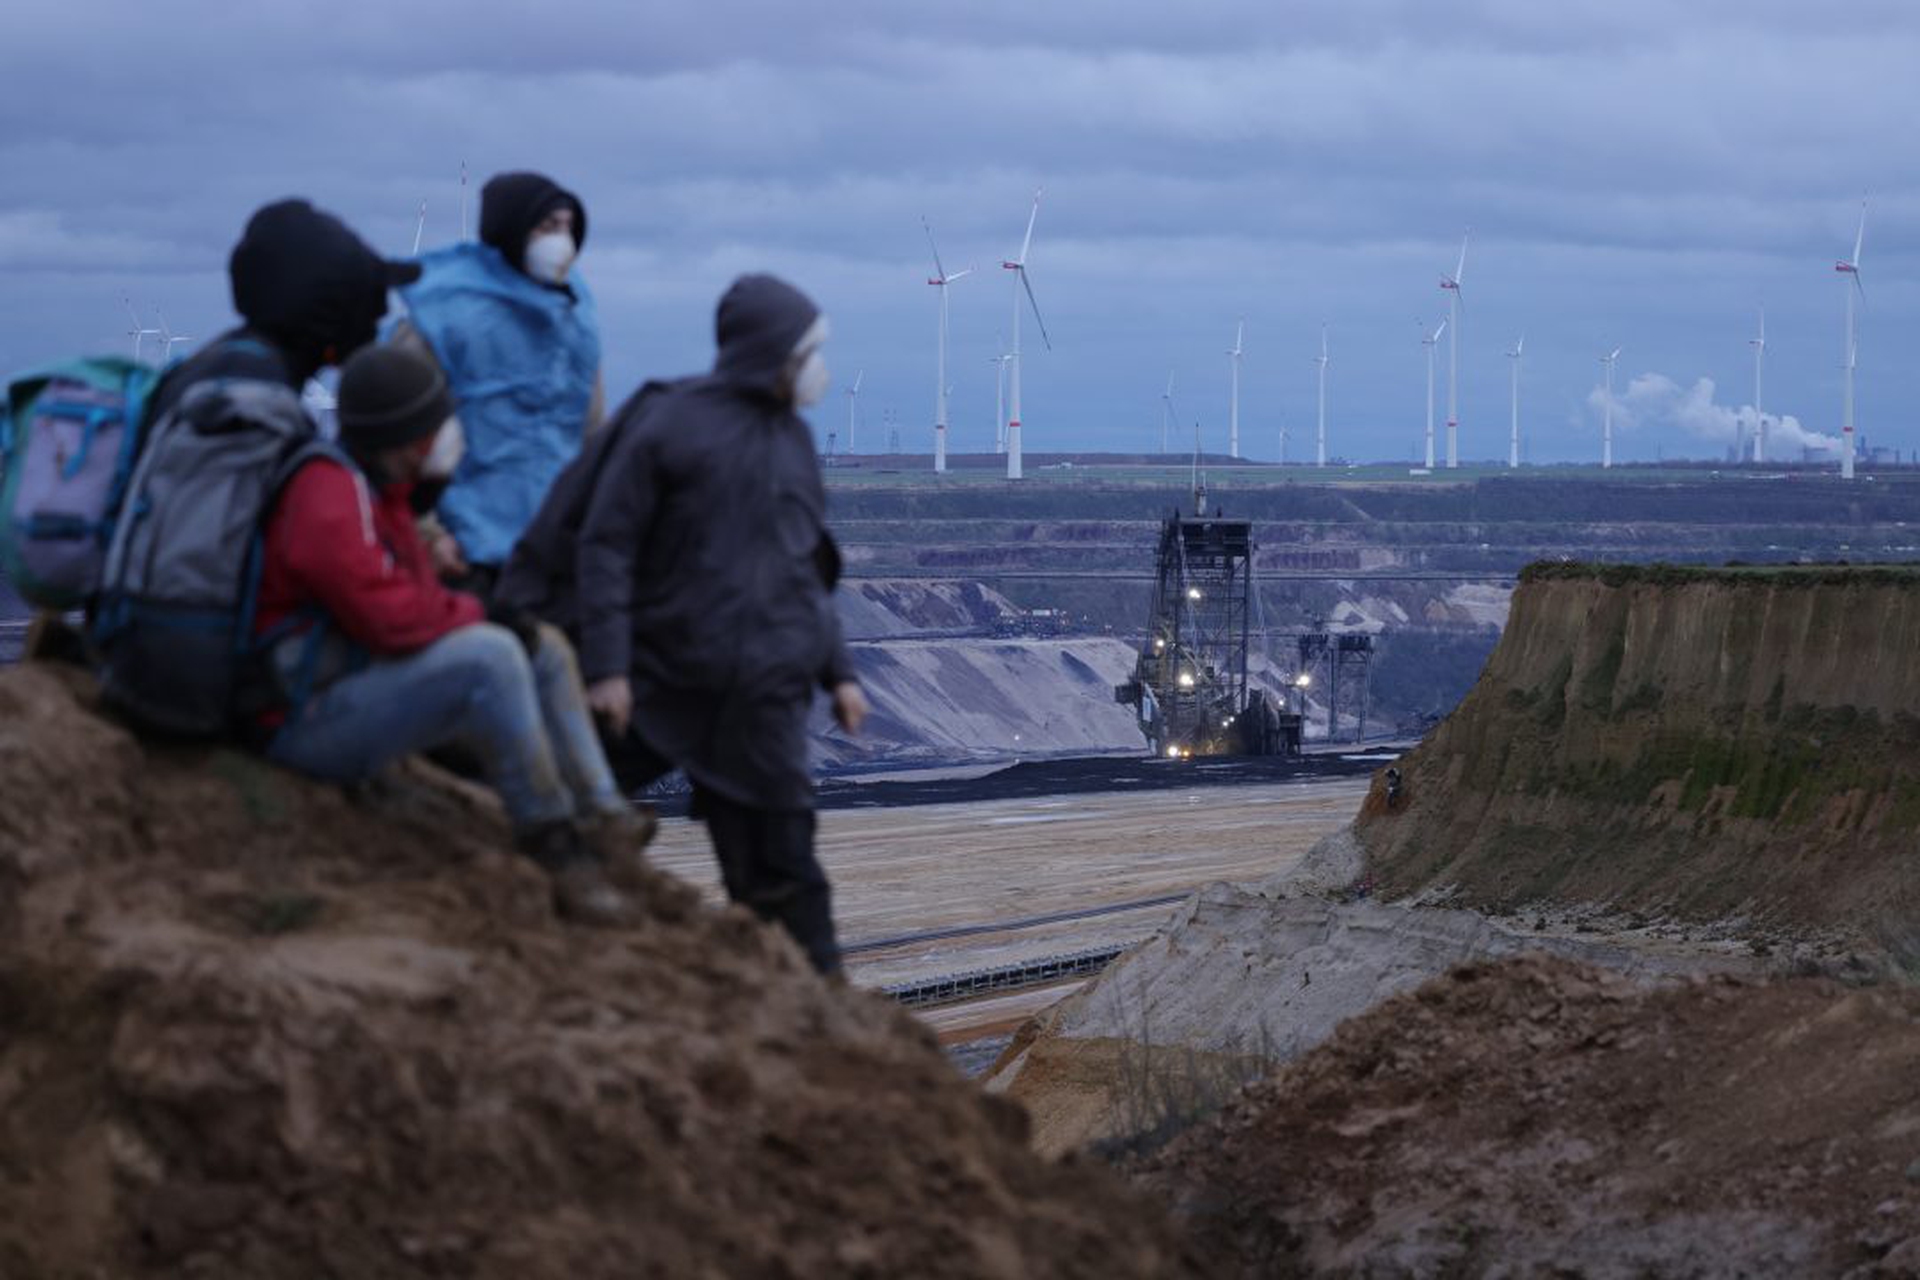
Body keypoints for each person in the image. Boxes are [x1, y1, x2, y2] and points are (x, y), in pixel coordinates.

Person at [497, 274, 867, 974]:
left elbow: (804, 567)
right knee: (571, 801)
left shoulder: (791, 441)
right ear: (771, 351)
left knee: (783, 868)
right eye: (808, 351)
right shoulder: (670, 422)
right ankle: (524, 934)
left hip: (757, 695)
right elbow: (606, 546)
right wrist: (606, 668)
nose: (819, 370)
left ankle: (818, 1012)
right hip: (660, 675)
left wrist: (839, 674)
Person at [254, 342, 644, 925]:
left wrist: (472, 608)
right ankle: (553, 842)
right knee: (491, 657)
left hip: (348, 685)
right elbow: (384, 618)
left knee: (543, 650)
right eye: (441, 423)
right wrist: (476, 618)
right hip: (301, 718)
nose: (452, 436)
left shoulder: (383, 495)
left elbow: (414, 596)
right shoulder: (330, 496)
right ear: (410, 435)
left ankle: (603, 812)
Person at [391, 171, 605, 596]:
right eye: (548, 227)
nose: (562, 241)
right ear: (513, 230)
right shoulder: (446, 313)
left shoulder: (573, 315)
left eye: (568, 228)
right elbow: (392, 439)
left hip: (552, 546)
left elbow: (591, 431)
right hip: (463, 551)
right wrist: (426, 532)